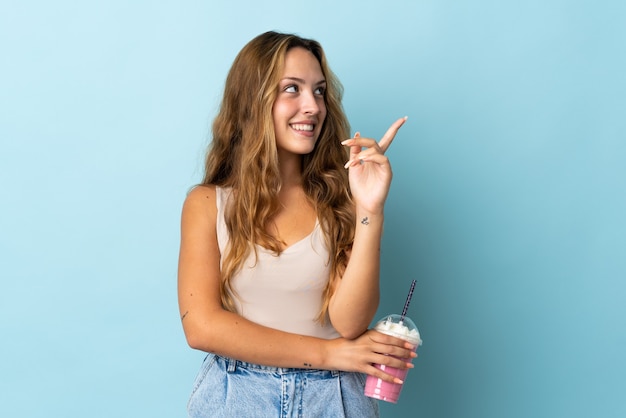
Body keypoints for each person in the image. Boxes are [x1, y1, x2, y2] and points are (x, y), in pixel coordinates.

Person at [178, 31, 415, 418]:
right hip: (237, 395)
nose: (312, 106)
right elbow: (202, 327)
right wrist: (328, 353)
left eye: (319, 91)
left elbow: (350, 322)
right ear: (253, 101)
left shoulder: (339, 200)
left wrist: (370, 209)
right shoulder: (207, 204)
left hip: (335, 396)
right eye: (292, 89)